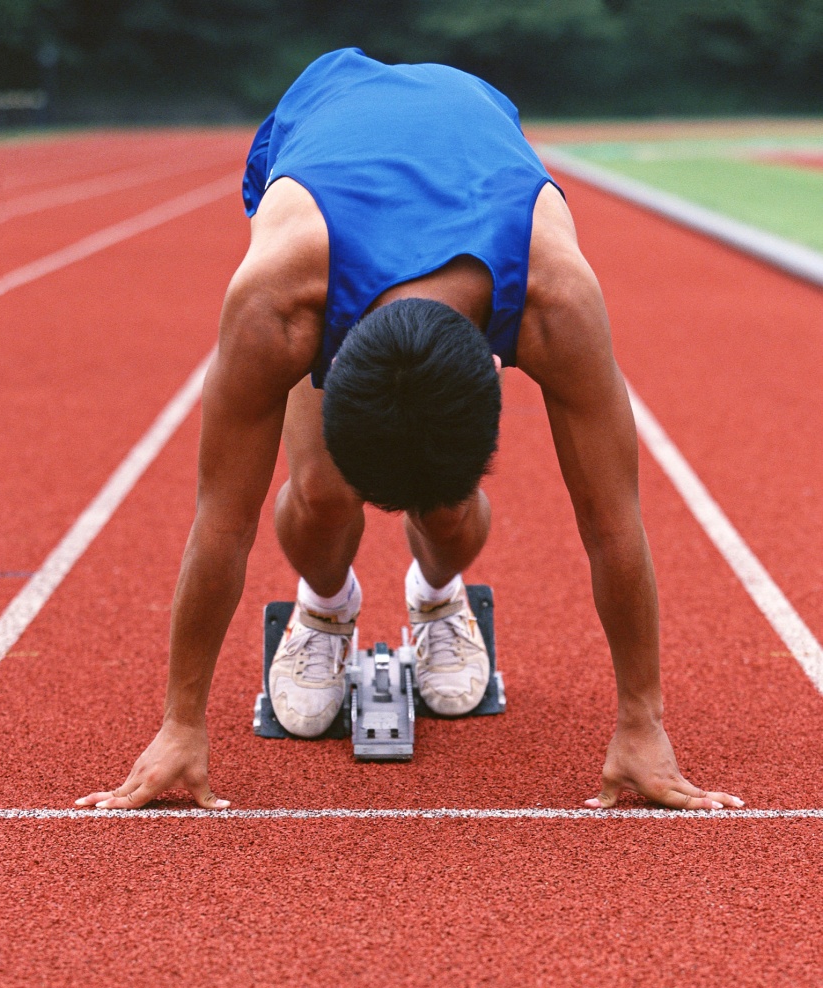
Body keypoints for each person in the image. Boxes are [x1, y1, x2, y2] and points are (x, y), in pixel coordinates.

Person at [76, 48, 743, 813]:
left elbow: (612, 522)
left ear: (497, 366)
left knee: (446, 509)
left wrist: (642, 723)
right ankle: (324, 607)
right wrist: (179, 725)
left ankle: (438, 595)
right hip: (322, 134)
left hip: (472, 131)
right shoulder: (278, 300)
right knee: (322, 494)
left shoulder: (556, 300)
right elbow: (222, 521)